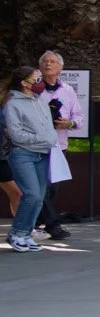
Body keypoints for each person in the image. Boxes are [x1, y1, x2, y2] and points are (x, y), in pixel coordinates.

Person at [5, 66, 53, 252]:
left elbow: (47, 128)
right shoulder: (13, 104)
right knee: (31, 195)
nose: (41, 82)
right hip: (23, 153)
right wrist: (42, 139)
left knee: (39, 198)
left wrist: (49, 140)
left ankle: (25, 234)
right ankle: (16, 233)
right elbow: (16, 134)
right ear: (24, 83)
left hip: (43, 154)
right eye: (37, 79)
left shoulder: (40, 101)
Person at [34, 51, 79, 241]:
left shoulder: (67, 90)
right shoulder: (33, 88)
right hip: (36, 145)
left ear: (60, 67)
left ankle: (34, 223)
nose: (48, 65)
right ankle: (53, 225)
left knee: (52, 189)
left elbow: (79, 117)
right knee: (39, 188)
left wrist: (68, 123)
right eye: (44, 61)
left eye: (52, 62)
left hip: (59, 146)